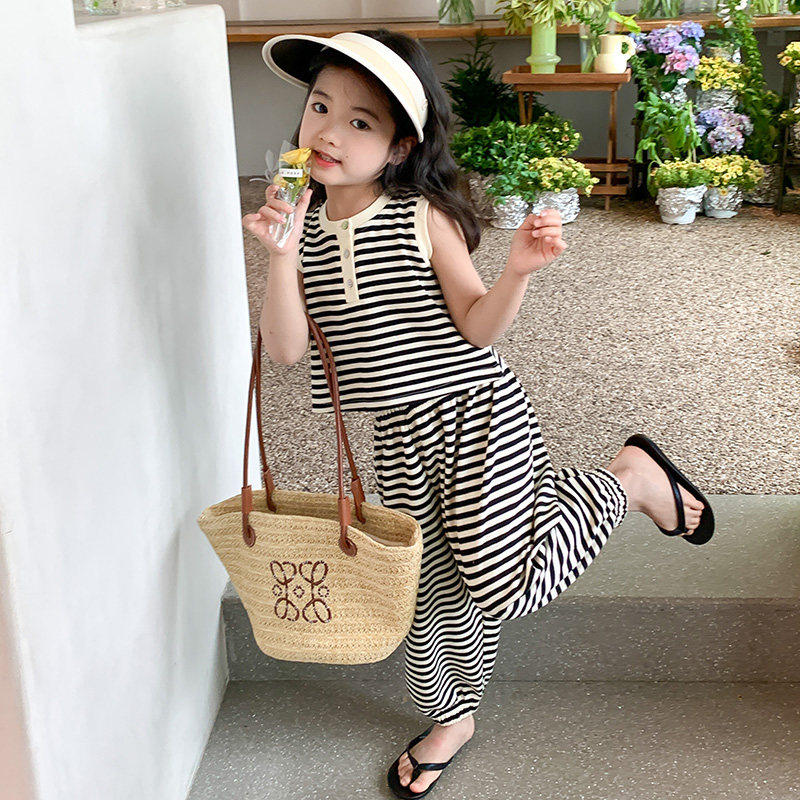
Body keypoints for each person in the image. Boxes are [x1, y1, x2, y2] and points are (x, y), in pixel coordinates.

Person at [242, 28, 715, 799]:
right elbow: (289, 351)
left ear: (400, 147)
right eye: (320, 107)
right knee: (426, 593)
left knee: (499, 581)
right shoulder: (302, 228)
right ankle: (452, 718)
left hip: (475, 414)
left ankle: (627, 480)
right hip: (397, 438)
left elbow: (477, 325)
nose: (327, 132)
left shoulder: (418, 216)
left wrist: (516, 273)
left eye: (360, 121)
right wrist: (282, 254)